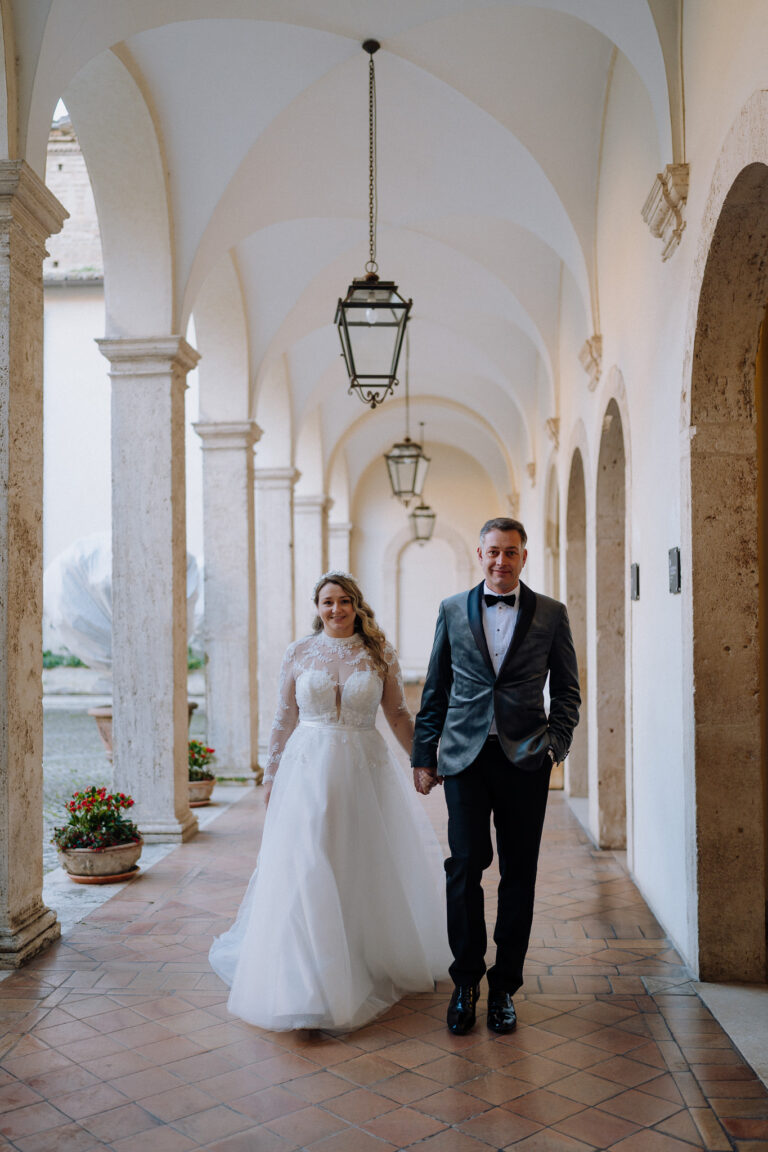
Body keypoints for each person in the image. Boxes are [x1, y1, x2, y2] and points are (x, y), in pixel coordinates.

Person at [209, 571, 450, 1033]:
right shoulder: (298, 653)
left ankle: (360, 953)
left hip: (363, 771)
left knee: (358, 860)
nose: (335, 609)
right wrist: (271, 772)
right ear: (317, 607)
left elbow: (398, 714)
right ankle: (306, 973)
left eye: (343, 601)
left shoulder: (378, 654)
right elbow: (284, 718)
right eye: (327, 602)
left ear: (356, 605)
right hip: (307, 771)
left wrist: (424, 760)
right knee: (306, 860)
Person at [412, 517, 580, 1036]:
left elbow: (568, 692)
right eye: (492, 552)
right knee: (463, 866)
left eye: (511, 552)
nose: (501, 561)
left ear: (523, 557)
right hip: (462, 757)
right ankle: (466, 982)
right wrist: (424, 754)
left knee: (519, 872)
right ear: (479, 555)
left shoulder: (551, 613)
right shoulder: (450, 610)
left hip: (525, 758)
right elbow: (435, 688)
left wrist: (555, 745)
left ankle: (504, 986)